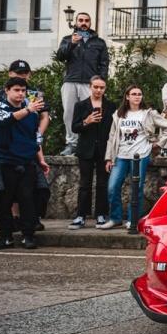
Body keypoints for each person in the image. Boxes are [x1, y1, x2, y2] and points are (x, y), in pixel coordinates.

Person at [0, 77, 49, 249]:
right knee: (3, 201)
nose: (20, 94)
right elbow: (3, 121)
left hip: (27, 162)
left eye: (23, 90)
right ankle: (5, 237)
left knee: (28, 199)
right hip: (3, 162)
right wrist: (28, 110)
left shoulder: (31, 113)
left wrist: (41, 159)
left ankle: (28, 236)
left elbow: (34, 137)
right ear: (7, 90)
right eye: (16, 90)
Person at [100, 85, 167, 230]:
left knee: (137, 189)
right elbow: (112, 137)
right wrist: (109, 158)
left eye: (139, 94)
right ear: (127, 97)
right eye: (134, 94)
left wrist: (157, 144)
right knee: (113, 187)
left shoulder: (148, 113)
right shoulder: (119, 114)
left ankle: (133, 220)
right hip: (121, 155)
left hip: (140, 155)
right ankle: (115, 218)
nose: (137, 96)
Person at [56, 11, 109, 155]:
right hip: (70, 81)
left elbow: (104, 63)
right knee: (69, 113)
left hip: (90, 83)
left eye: (86, 20)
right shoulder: (67, 39)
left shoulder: (99, 42)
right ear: (76, 22)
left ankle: (89, 143)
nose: (83, 23)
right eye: (80, 20)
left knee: (91, 112)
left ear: (90, 23)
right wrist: (72, 44)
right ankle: (72, 144)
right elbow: (60, 57)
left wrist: (101, 80)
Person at [69, 75, 114, 229]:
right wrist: (86, 121)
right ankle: (81, 215)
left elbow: (113, 130)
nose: (98, 90)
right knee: (84, 184)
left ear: (105, 88)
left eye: (102, 87)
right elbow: (74, 127)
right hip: (85, 150)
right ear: (90, 87)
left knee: (103, 184)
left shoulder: (111, 106)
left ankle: (101, 214)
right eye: (96, 87)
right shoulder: (81, 105)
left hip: (104, 150)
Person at [0, 61, 51, 150]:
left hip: (29, 139)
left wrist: (38, 135)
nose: (23, 75)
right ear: (10, 73)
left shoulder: (36, 93)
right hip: (6, 140)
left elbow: (44, 116)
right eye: (19, 73)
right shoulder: (0, 94)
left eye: (26, 72)